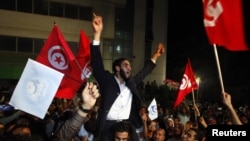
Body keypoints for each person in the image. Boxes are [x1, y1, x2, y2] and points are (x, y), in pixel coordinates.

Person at [90, 13, 165, 141]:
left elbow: (144, 71)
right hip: (108, 126)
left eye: (130, 66)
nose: (129, 68)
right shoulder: (107, 80)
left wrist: (156, 55)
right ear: (117, 68)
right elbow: (96, 64)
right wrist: (97, 34)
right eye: (126, 65)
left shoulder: (131, 83)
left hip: (127, 124)